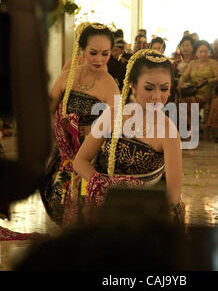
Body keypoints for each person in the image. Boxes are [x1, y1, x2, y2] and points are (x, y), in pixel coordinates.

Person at [73, 49, 184, 219]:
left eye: (164, 89)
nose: (157, 96)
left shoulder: (169, 132)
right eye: (148, 88)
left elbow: (174, 194)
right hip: (105, 204)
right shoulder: (112, 115)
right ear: (132, 84)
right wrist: (101, 184)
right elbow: (80, 161)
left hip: (146, 213)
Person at [41, 22, 120, 226]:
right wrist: (59, 130)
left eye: (105, 53)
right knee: (56, 196)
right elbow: (47, 109)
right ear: (82, 49)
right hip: (64, 150)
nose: (99, 59)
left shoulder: (111, 87)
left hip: (92, 152)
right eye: (93, 53)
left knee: (85, 205)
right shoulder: (67, 77)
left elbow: (115, 126)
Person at [178, 40, 218, 135]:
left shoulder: (213, 63)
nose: (203, 54)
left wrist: (207, 80)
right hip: (193, 90)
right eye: (201, 51)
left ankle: (192, 129)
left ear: (209, 52)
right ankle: (192, 127)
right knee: (182, 101)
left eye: (206, 51)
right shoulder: (193, 63)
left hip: (206, 91)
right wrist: (181, 81)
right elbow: (184, 76)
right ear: (196, 52)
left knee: (189, 102)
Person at [171, 36, 196, 103]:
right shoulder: (176, 59)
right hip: (176, 84)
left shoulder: (196, 59)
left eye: (187, 45)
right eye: (183, 46)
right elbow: (172, 73)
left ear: (192, 47)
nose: (185, 48)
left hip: (192, 84)